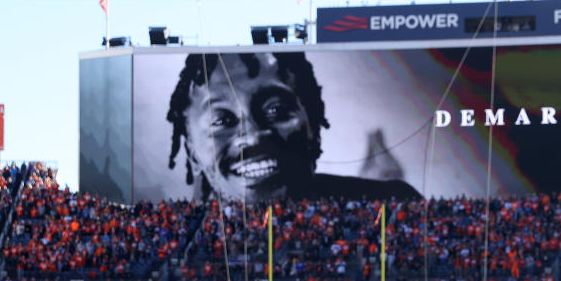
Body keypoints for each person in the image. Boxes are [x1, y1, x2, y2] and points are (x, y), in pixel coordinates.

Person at [165, 52, 421, 202]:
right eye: (221, 121)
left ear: (312, 123)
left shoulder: (391, 202)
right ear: (192, 152)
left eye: (275, 110)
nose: (253, 137)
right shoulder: (176, 242)